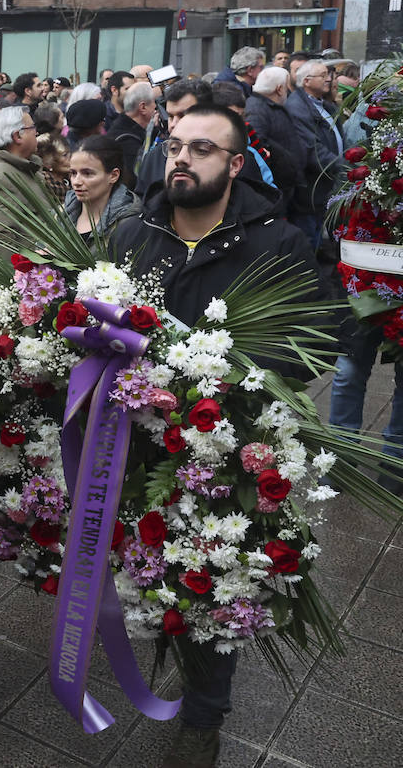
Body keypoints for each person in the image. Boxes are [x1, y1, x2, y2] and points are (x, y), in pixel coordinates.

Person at [110, 105, 324, 768]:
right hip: (138, 451)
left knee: (208, 582)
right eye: (174, 145)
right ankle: (168, 644)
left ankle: (204, 716)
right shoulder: (128, 236)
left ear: (234, 165)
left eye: (202, 149)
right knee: (148, 571)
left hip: (223, 455)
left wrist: (218, 385)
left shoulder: (278, 242)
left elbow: (309, 346)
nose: (181, 158)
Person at [285, 59, 344, 249]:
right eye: (323, 75)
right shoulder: (297, 108)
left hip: (326, 185)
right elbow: (313, 150)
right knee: (310, 244)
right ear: (307, 81)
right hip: (311, 189)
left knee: (320, 240)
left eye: (328, 75)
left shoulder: (325, 105)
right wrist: (345, 167)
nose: (328, 79)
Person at [0, 106, 48, 246]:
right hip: (31, 266)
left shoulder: (23, 166)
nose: (36, 132)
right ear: (17, 136)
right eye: (32, 127)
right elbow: (2, 244)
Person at [245, 66, 305, 216]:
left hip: (286, 186)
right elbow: (259, 146)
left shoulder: (271, 106)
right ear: (279, 89)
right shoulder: (256, 109)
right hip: (277, 187)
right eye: (286, 87)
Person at [65, 133, 141, 240]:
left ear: (113, 175)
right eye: (73, 173)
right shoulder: (60, 215)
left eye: (87, 173)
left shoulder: (129, 226)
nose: (76, 181)